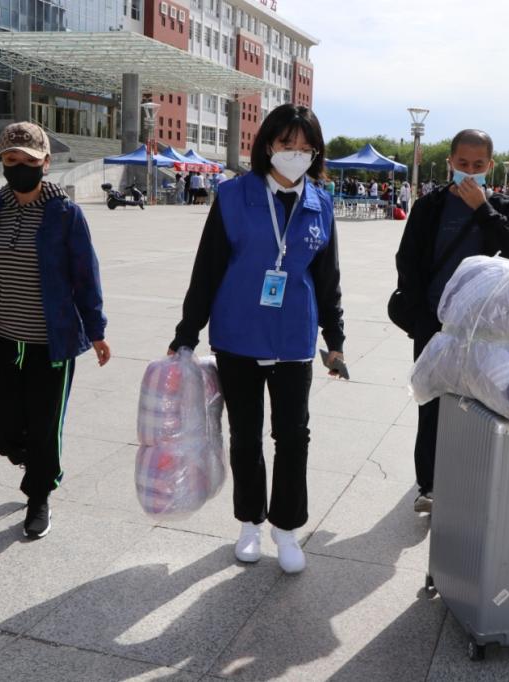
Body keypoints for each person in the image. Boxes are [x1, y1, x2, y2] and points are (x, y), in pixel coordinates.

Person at [168, 104, 345, 574]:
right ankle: (249, 523)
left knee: (293, 436)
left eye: (305, 148)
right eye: (287, 144)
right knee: (245, 437)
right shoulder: (233, 196)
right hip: (238, 336)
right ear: (268, 145)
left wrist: (335, 338)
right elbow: (207, 270)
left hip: (293, 338)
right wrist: (187, 333)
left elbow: (327, 278)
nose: (296, 154)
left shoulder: (321, 203)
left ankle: (286, 529)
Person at [0, 122, 111, 540]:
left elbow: (86, 277)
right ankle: (32, 457)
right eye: (11, 158)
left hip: (50, 341)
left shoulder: (65, 214)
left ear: (46, 163)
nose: (20, 166)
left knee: (45, 423)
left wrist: (96, 331)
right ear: (2, 162)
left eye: (29, 159)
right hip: (0, 336)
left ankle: (39, 493)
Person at [394, 129, 509, 514]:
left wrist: (482, 208)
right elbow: (407, 259)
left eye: (478, 165)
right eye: (463, 163)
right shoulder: (430, 205)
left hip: (481, 327)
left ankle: (468, 481)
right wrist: (419, 316)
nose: (469, 170)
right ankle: (429, 485)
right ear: (450, 162)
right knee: (431, 401)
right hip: (434, 323)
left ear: (490, 165)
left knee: (478, 403)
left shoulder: (499, 203)